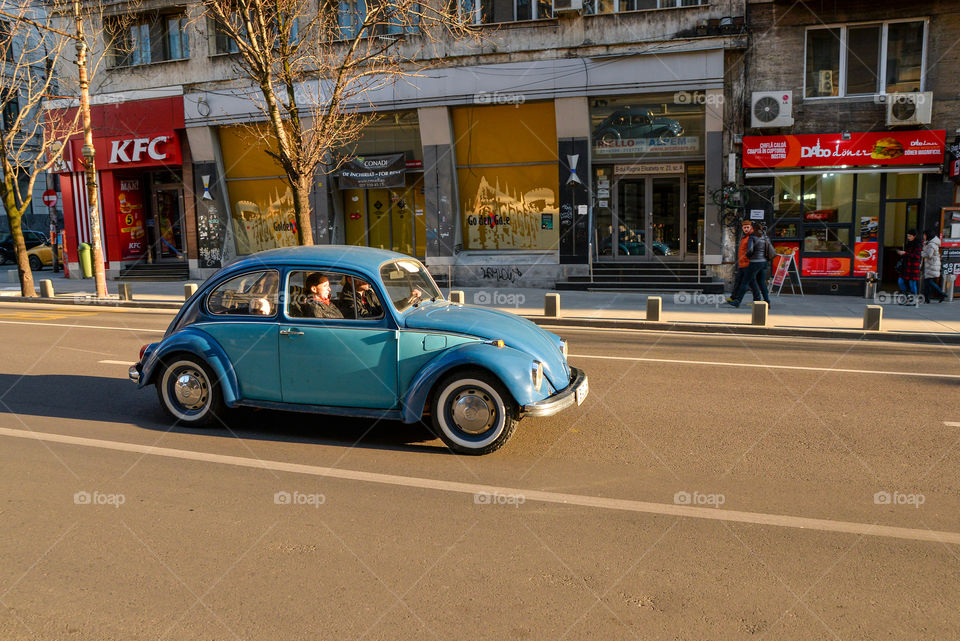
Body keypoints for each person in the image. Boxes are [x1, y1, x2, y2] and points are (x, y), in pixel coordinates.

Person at [725, 220, 764, 308]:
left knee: (748, 283)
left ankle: (741, 300)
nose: (746, 229)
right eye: (744, 227)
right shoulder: (745, 237)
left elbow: (752, 251)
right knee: (740, 281)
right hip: (742, 264)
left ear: (751, 227)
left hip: (748, 264)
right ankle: (734, 298)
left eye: (747, 227)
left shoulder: (751, 237)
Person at [896, 230, 922, 304]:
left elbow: (916, 256)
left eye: (910, 236)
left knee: (912, 283)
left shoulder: (918, 244)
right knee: (900, 281)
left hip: (913, 266)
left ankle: (914, 299)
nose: (908, 237)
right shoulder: (908, 244)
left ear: (914, 236)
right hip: (906, 266)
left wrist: (905, 253)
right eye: (908, 236)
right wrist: (901, 252)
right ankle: (907, 296)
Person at [921, 229, 945, 303]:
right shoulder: (929, 243)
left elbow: (929, 255)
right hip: (931, 265)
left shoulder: (931, 244)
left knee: (928, 282)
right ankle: (927, 299)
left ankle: (941, 293)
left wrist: (921, 253)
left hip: (932, 265)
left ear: (927, 235)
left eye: (924, 235)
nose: (923, 236)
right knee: (928, 283)